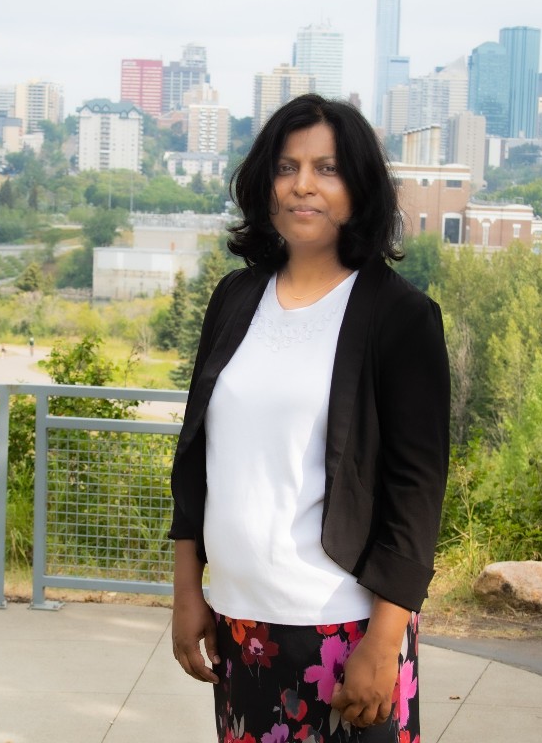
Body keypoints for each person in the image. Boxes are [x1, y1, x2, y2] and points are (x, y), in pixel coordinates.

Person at [168, 94, 449, 743]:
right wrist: (189, 592)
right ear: (265, 181)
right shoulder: (237, 299)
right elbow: (195, 458)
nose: (303, 185)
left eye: (327, 168)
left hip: (346, 631)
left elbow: (416, 493)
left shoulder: (399, 318)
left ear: (359, 187)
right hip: (241, 628)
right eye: (288, 166)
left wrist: (385, 642)